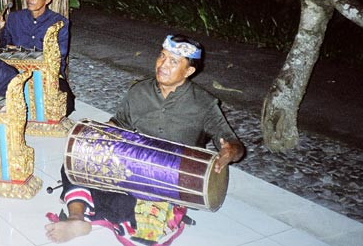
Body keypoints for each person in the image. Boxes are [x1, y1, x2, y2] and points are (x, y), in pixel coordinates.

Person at [44, 34, 245, 245]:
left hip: (170, 179)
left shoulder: (203, 103)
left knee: (128, 205)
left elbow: (233, 143)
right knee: (74, 163)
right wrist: (96, 137)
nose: (163, 65)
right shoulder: (139, 91)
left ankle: (90, 208)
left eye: (173, 61)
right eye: (162, 56)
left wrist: (230, 152)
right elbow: (120, 123)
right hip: (131, 166)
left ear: (189, 71)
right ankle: (76, 219)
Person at [0, 0, 74, 112]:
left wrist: (21, 51)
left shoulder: (59, 23)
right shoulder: (14, 18)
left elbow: (59, 54)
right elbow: (2, 47)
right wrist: (1, 29)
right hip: (16, 73)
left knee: (64, 107)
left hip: (47, 74)